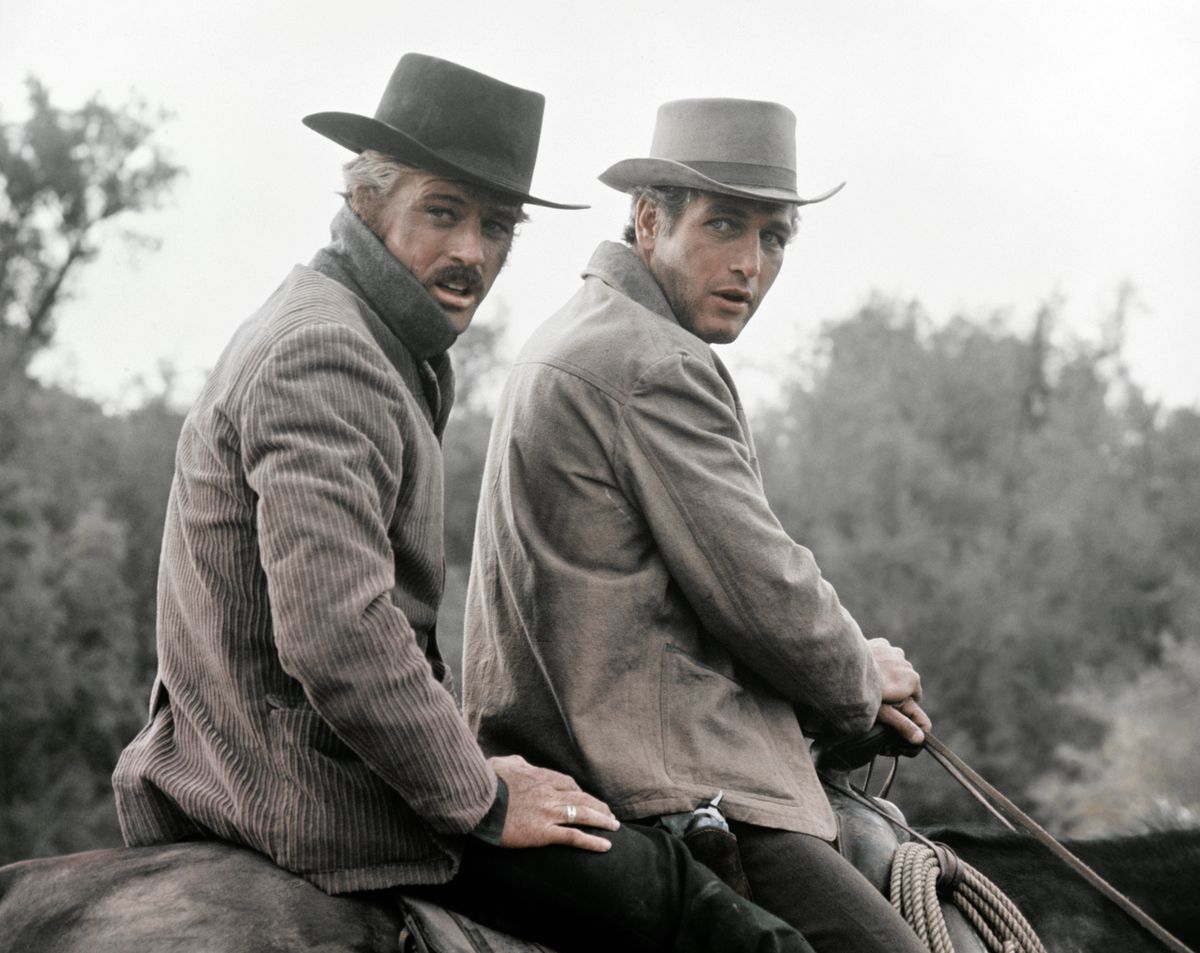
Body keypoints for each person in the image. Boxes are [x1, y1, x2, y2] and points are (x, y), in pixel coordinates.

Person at [111, 57, 815, 953]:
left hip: (274, 759)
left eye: (496, 225)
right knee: (710, 920)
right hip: (296, 788)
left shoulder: (361, 333)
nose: (473, 253)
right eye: (443, 212)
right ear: (368, 199)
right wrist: (479, 795)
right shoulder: (327, 351)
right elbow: (340, 634)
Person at [463, 98, 932, 953]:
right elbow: (763, 588)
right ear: (649, 221)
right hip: (669, 781)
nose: (749, 263)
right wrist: (861, 674)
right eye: (723, 225)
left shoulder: (570, 335)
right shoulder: (653, 362)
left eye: (774, 237)